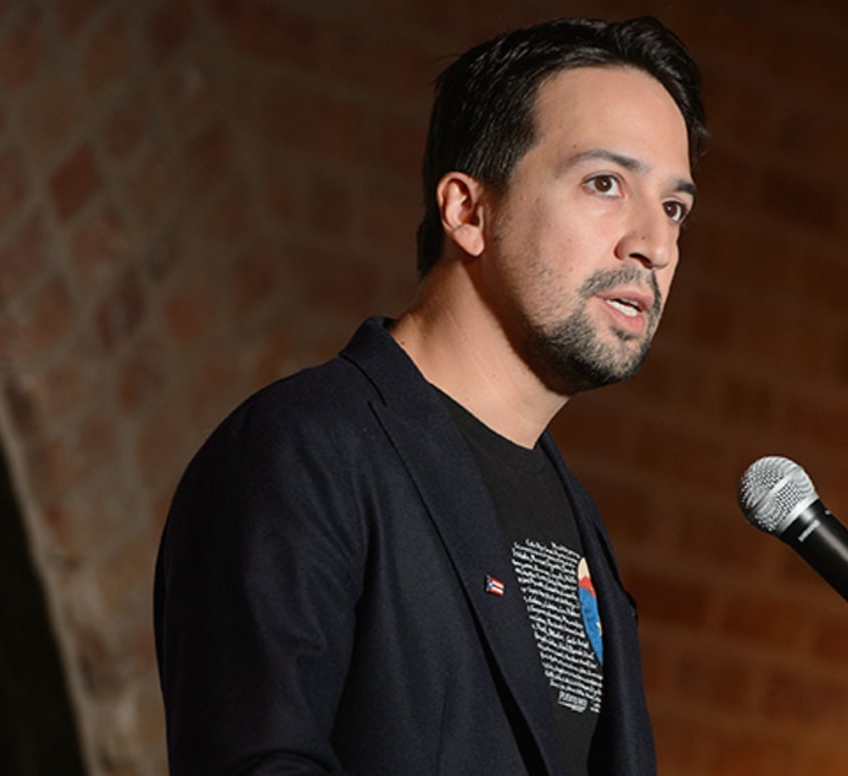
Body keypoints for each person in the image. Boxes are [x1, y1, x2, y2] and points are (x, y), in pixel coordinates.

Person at [155, 15, 707, 776]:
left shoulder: (577, 521)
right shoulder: (306, 451)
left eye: (674, 207)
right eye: (604, 184)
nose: (656, 244)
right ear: (467, 211)